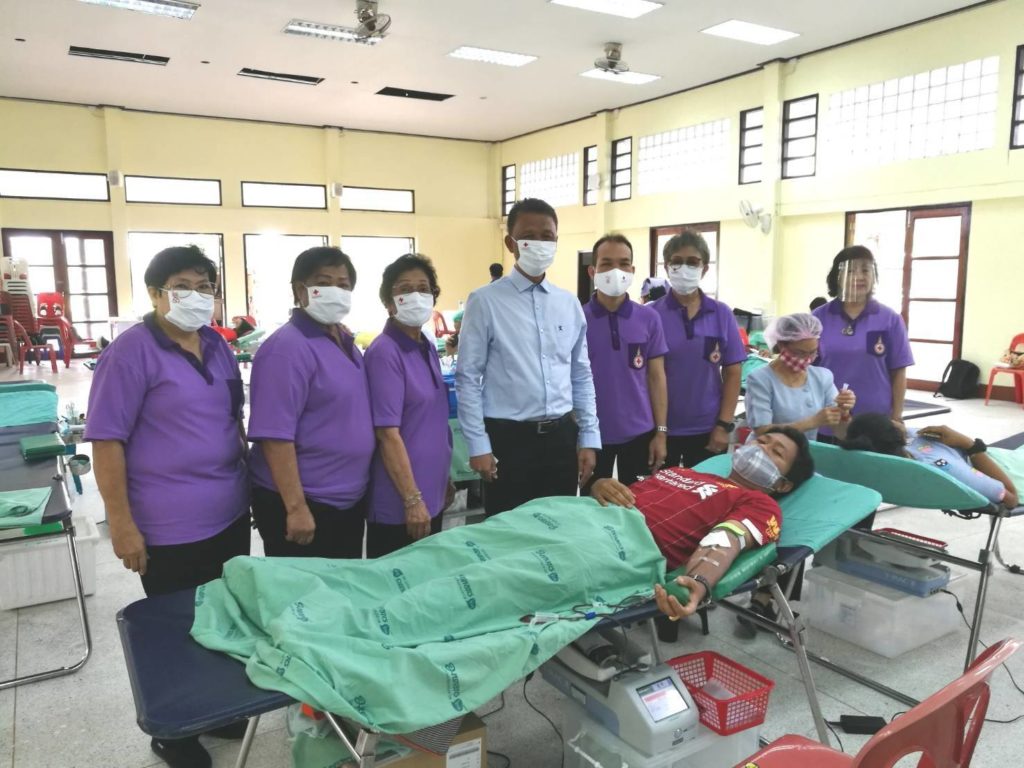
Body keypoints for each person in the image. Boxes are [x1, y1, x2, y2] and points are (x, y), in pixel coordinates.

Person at [87, 245, 249, 768]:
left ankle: (215, 709)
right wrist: (121, 524)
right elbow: (107, 442)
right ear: (156, 293)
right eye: (182, 286)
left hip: (227, 513)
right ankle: (175, 734)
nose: (195, 296)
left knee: (222, 618)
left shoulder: (217, 346)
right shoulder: (130, 353)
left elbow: (231, 421)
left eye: (205, 287)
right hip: (167, 524)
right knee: (175, 628)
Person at [456, 197, 600, 516]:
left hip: (562, 439)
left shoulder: (568, 304)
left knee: (560, 525)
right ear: (511, 243)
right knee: (509, 532)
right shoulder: (485, 301)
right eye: (528, 236)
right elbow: (467, 378)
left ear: (556, 241)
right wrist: (478, 445)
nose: (539, 243)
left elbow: (580, 375)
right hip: (509, 442)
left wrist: (589, 437)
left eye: (547, 236)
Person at [589, 427, 815, 619]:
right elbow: (621, 495)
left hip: (615, 546)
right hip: (587, 517)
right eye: (762, 441)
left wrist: (698, 581)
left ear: (783, 485)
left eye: (776, 452)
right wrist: (600, 486)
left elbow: (726, 539)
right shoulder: (681, 471)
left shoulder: (759, 504)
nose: (762, 449)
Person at [248, 247, 374, 558]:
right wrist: (296, 507)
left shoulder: (345, 342)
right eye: (323, 282)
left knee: (340, 583)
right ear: (299, 290)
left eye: (343, 285)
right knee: (303, 588)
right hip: (305, 504)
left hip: (345, 499)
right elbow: (275, 437)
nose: (335, 291)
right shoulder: (286, 349)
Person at [364, 254, 454, 556]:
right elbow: (387, 434)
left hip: (432, 491)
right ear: (389, 302)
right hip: (401, 501)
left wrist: (444, 477)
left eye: (423, 288)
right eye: (404, 289)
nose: (415, 296)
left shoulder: (425, 345)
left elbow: (431, 421)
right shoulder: (384, 352)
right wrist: (412, 499)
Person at [649, 230, 745, 468]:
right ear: (666, 267)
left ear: (704, 269)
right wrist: (658, 430)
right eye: (677, 262)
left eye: (692, 262)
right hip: (659, 428)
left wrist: (723, 425)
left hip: (708, 429)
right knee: (658, 490)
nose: (684, 268)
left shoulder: (721, 313)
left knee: (706, 489)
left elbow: (733, 373)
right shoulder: (651, 315)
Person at [583, 233, 669, 487]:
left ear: (632, 270)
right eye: (607, 263)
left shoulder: (649, 318)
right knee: (593, 504)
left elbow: (656, 377)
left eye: (623, 264)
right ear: (592, 271)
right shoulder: (577, 318)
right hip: (592, 436)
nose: (616, 271)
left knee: (640, 502)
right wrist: (579, 438)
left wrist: (661, 433)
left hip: (640, 434)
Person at [813, 246, 913, 441]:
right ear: (837, 277)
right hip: (828, 418)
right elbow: (806, 370)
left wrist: (897, 417)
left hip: (876, 421)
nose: (859, 277)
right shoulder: (818, 318)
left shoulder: (890, 319)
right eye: (850, 271)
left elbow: (898, 372)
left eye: (866, 270)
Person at [840, 413, 1019, 509]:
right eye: (892, 421)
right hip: (1010, 469)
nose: (898, 420)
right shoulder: (942, 467)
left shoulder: (883, 457)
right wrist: (969, 445)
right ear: (895, 435)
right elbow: (1011, 498)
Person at [745, 313, 857, 442]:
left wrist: (844, 413)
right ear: (781, 345)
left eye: (813, 352)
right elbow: (762, 431)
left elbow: (841, 434)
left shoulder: (822, 377)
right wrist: (812, 422)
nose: (807, 359)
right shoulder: (760, 380)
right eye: (800, 353)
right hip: (765, 451)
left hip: (802, 452)